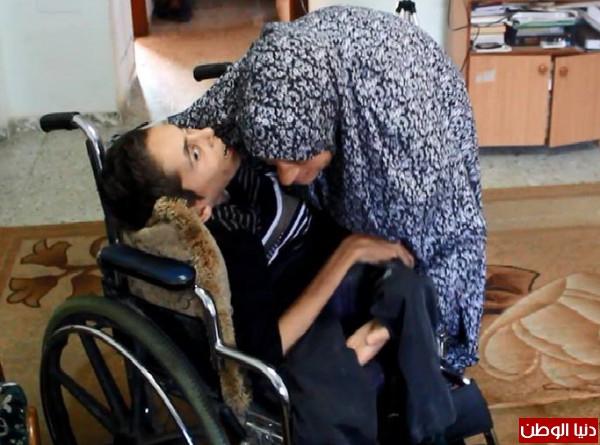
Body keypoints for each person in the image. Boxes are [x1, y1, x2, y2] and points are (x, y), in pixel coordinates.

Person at [169, 5, 487, 374]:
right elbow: (173, 143)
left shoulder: (408, 140)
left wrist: (386, 326)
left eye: (299, 159)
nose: (285, 178)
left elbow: (445, 238)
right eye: (274, 161)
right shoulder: (264, 77)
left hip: (407, 98)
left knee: (418, 254)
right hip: (336, 62)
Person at [101, 123, 456, 444]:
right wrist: (350, 252)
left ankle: (386, 361)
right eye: (193, 152)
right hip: (302, 317)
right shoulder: (234, 243)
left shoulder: (244, 173)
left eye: (188, 129)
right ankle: (379, 362)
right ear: (197, 209)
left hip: (338, 278)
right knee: (326, 389)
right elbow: (266, 353)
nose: (207, 133)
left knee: (410, 284)